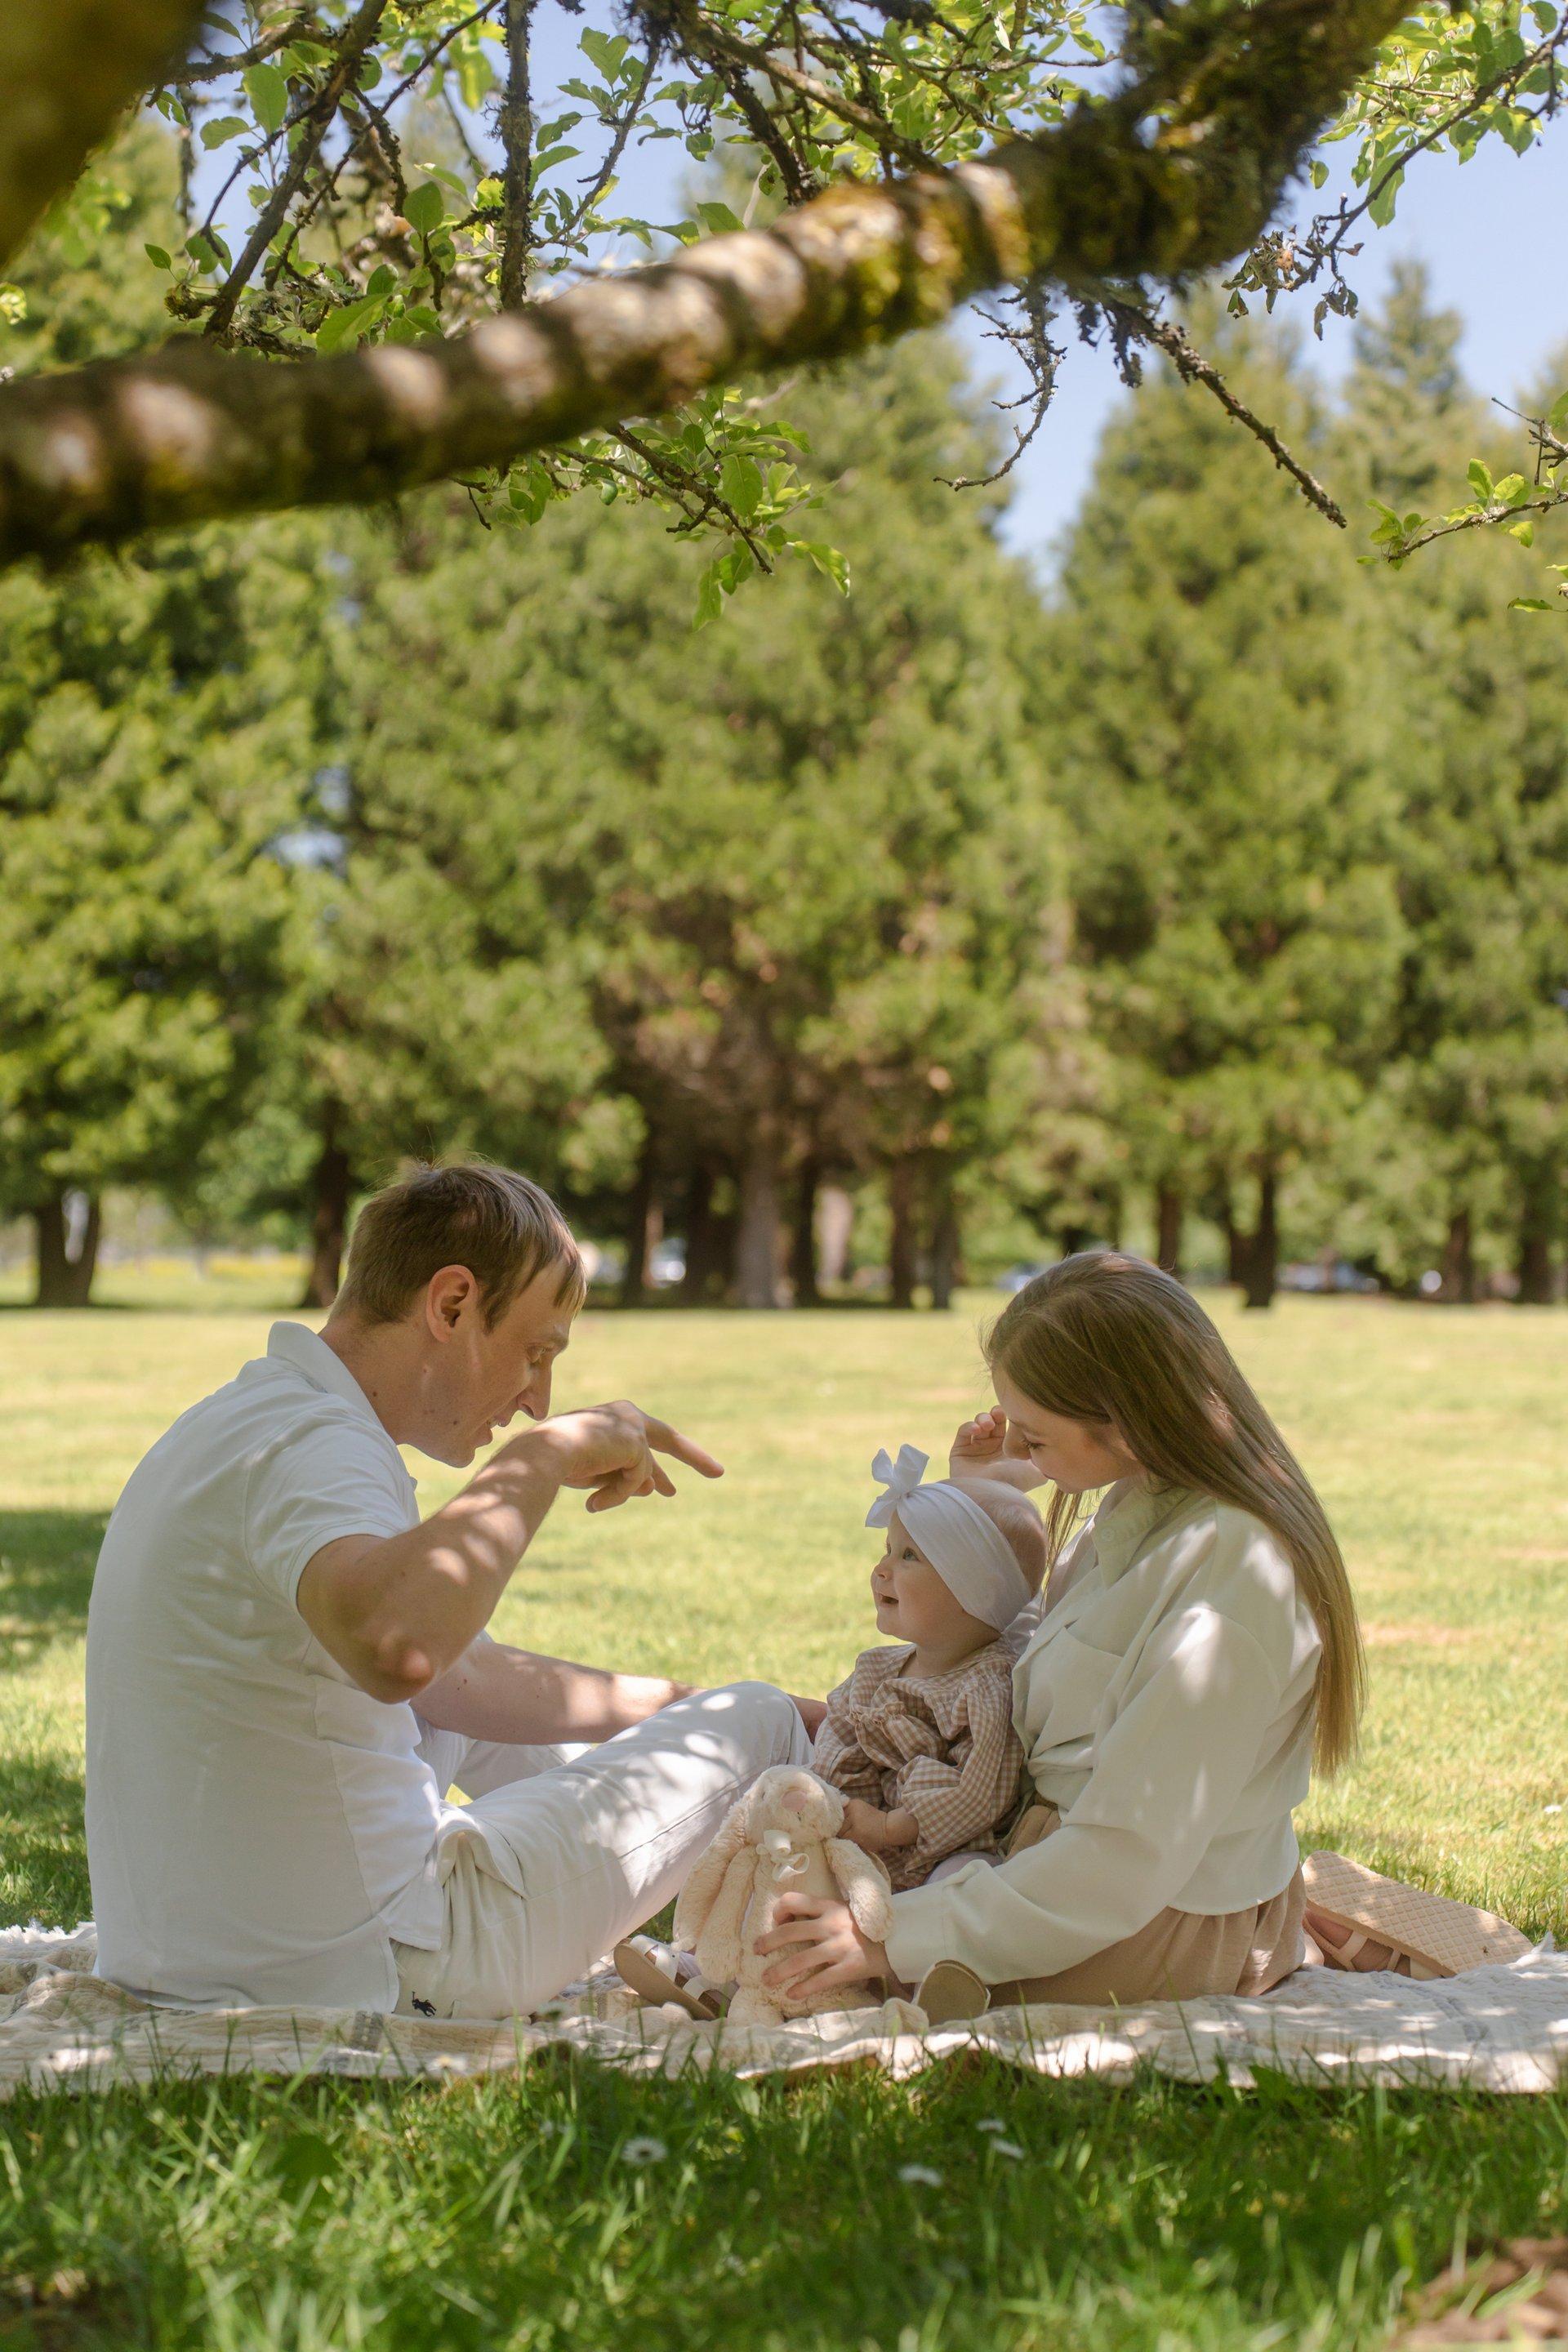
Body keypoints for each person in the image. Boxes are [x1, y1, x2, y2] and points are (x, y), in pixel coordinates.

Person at [86, 1161, 818, 2019]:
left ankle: (741, 1858)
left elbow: (455, 1680)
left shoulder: (247, 1420)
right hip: (372, 1966)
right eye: (536, 1354)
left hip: (200, 1957)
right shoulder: (320, 1445)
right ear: (452, 1304)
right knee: (764, 1720)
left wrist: (684, 1710)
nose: (539, 1400)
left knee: (686, 1722)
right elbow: (399, 1651)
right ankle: (869, 1924)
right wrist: (542, 1459)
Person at [756, 1250, 1365, 2012]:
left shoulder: (1229, 1583)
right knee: (766, 1761)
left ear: (1124, 1423)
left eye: (1036, 1436)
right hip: (1043, 1873)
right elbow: (1021, 1663)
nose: (1017, 1445)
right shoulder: (1135, 1508)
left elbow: (1123, 1860)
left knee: (814, 1958)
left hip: (1138, 1922)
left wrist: (890, 1937)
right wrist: (988, 1494)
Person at [812, 1444, 1045, 1889]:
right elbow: (838, 1733)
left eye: (909, 1556)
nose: (881, 1569)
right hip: (857, 1830)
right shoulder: (877, 1669)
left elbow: (980, 1792)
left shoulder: (987, 1688)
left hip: (939, 1850)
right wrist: (823, 1798)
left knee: (963, 1880)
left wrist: (889, 1827)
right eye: (888, 1549)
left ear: (974, 1591)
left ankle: (921, 1930)